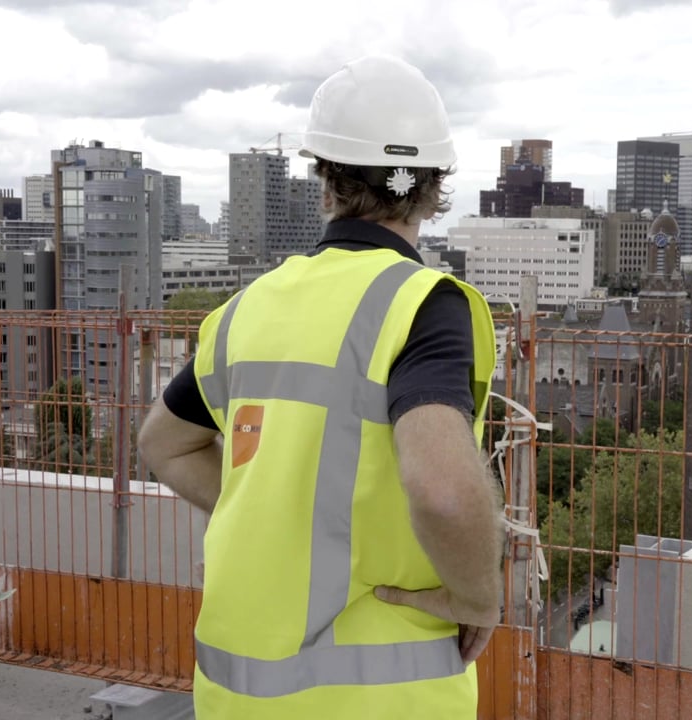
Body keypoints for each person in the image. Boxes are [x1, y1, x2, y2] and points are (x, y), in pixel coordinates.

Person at [137, 55, 504, 719]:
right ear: (432, 187)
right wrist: (479, 595)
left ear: (326, 180)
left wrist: (283, 513)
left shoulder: (248, 308)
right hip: (379, 701)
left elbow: (164, 445)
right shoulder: (423, 304)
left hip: (233, 696)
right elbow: (445, 490)